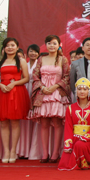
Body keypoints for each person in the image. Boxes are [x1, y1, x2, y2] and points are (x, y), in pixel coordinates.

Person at [0, 38, 31, 163]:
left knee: (15, 122)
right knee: (3, 122)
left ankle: (13, 150)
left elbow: (26, 78)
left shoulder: (21, 61)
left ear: (17, 47)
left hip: (17, 93)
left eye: (12, 45)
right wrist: (1, 85)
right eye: (7, 45)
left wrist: (14, 84)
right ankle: (6, 151)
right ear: (4, 48)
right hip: (2, 93)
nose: (10, 48)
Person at [31, 35, 71, 163]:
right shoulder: (41, 59)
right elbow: (35, 75)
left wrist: (55, 86)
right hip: (43, 94)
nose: (51, 45)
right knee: (44, 124)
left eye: (54, 43)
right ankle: (45, 153)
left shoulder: (63, 59)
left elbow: (67, 76)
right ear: (46, 45)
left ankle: (55, 153)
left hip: (57, 94)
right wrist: (42, 88)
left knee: (57, 124)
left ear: (59, 45)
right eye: (49, 43)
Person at [58, 77, 90, 171]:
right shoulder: (70, 108)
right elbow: (68, 127)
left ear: (89, 91)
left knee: (80, 145)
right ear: (76, 91)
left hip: (88, 140)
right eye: (79, 89)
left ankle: (84, 162)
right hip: (74, 138)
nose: (82, 92)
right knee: (64, 164)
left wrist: (85, 137)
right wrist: (68, 142)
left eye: (85, 89)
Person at [17, 44, 40, 159]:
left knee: (35, 119)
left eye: (35, 52)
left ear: (38, 54)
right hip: (24, 90)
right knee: (24, 120)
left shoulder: (40, 65)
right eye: (31, 51)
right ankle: (23, 150)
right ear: (27, 53)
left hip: (36, 91)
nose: (33, 53)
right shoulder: (23, 64)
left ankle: (34, 149)